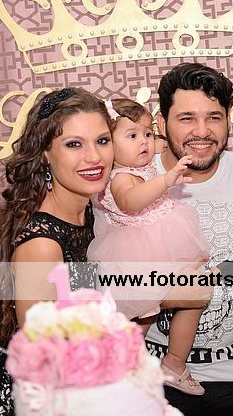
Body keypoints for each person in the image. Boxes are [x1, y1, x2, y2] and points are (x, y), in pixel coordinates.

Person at [0, 88, 114, 415]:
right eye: (74, 144)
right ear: (45, 154)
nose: (94, 157)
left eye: (102, 140)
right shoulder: (42, 244)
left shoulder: (90, 214)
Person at [144, 62, 233, 416]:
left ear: (228, 122)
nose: (202, 131)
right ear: (162, 122)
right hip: (150, 379)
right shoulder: (133, 183)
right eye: (187, 118)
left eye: (214, 117)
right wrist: (167, 296)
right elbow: (92, 282)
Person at [87, 98, 210, 395]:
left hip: (167, 243)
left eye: (147, 133)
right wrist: (166, 180)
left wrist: (175, 144)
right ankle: (123, 360)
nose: (144, 141)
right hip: (140, 252)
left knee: (192, 297)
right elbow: (131, 201)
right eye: (132, 135)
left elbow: (165, 144)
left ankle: (173, 362)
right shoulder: (119, 177)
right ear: (108, 145)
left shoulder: (140, 161)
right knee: (142, 313)